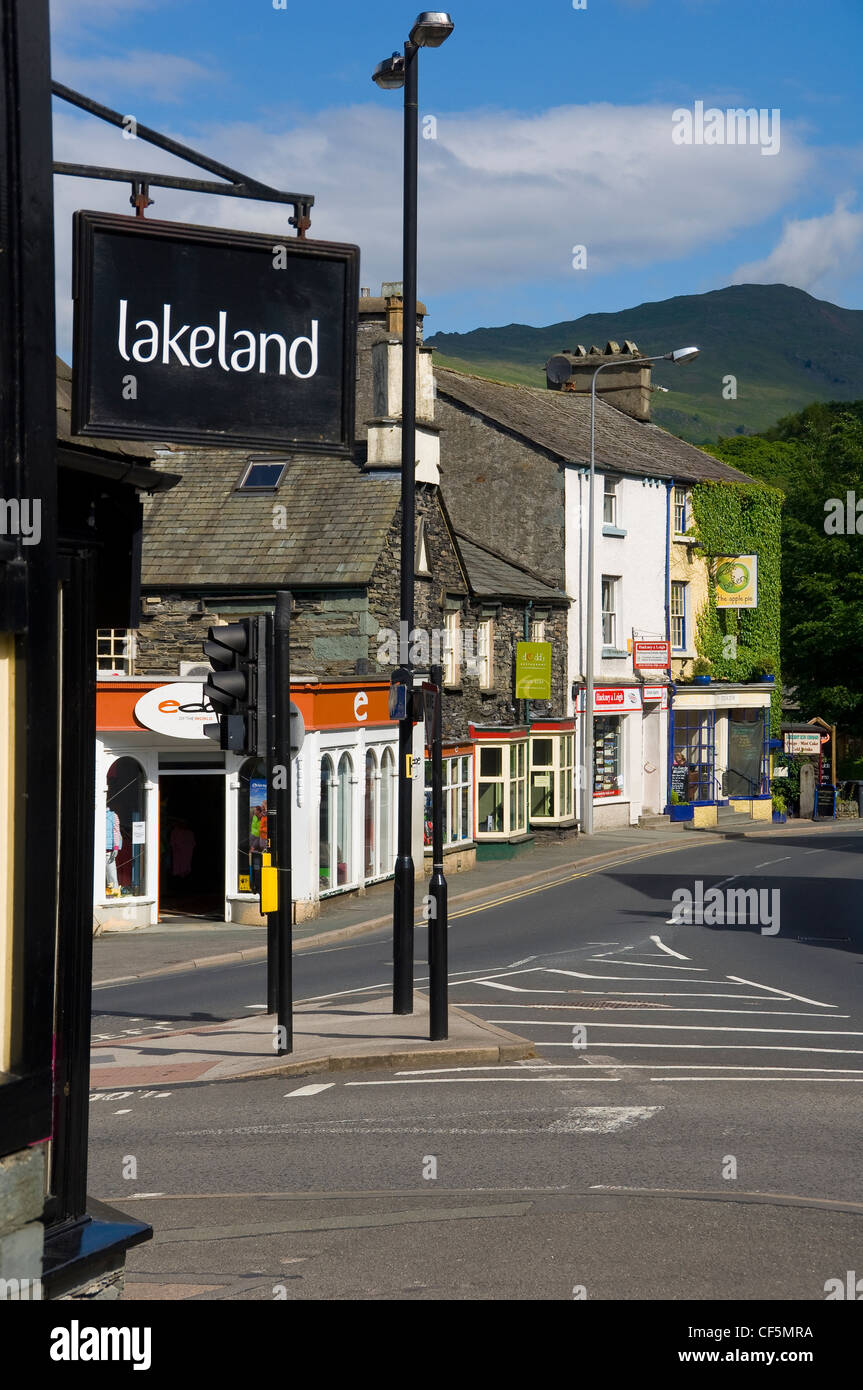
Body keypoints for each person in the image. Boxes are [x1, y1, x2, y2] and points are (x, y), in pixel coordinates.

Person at [106, 803, 121, 895]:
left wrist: (116, 847)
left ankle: (115, 894)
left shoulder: (113, 816)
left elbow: (116, 832)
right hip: (97, 850)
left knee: (111, 875)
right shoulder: (94, 815)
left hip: (109, 851)